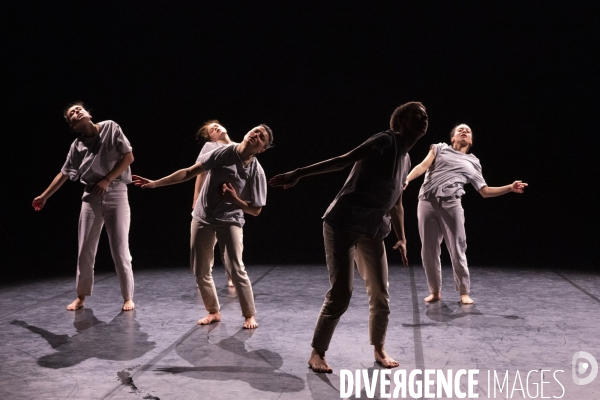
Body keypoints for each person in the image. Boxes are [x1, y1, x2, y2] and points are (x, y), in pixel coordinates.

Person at [269, 102, 428, 373]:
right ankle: (317, 353)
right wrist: (299, 173)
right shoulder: (384, 140)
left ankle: (378, 347)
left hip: (372, 230)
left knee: (381, 292)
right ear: (401, 121)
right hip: (342, 223)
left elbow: (397, 201)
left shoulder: (406, 159)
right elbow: (344, 159)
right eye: (417, 114)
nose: (424, 117)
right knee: (341, 292)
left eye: (425, 115)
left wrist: (402, 238)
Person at [132, 124, 273, 329]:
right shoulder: (223, 153)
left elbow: (256, 210)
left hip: (230, 219)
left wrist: (234, 200)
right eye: (255, 130)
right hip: (203, 216)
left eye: (262, 137)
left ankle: (249, 315)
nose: (256, 134)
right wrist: (155, 183)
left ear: (262, 149)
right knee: (200, 269)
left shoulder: (256, 172)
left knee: (235, 267)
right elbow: (189, 172)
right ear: (247, 132)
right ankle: (213, 311)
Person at [404, 123, 528, 305]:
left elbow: (484, 191)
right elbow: (422, 166)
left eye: (468, 131)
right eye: (460, 130)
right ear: (452, 137)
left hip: (451, 203)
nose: (464, 131)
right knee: (428, 250)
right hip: (426, 202)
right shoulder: (439, 148)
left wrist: (509, 188)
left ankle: (464, 292)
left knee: (457, 247)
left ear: (470, 141)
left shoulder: (473, 162)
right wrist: (407, 179)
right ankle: (435, 291)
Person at [32, 102, 136, 311]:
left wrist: (107, 179)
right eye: (72, 112)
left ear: (88, 113)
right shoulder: (77, 146)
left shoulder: (110, 127)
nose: (77, 111)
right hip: (91, 196)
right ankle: (81, 297)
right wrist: (44, 196)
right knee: (85, 249)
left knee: (120, 249)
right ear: (73, 125)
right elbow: (64, 173)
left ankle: (128, 297)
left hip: (116, 191)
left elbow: (128, 157)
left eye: (79, 108)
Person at [193, 120, 237, 288]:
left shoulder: (238, 147)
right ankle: (204, 277)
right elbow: (200, 173)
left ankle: (232, 276)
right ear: (211, 138)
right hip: (211, 200)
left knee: (230, 243)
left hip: (230, 202)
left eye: (217, 125)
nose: (216, 127)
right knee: (207, 243)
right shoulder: (210, 147)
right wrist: (196, 198)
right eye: (212, 129)